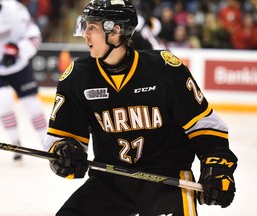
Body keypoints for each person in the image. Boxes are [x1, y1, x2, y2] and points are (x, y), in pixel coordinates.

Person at [43, 0, 238, 215]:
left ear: (115, 30)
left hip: (166, 180)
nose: (85, 34)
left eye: (92, 27)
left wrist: (218, 165)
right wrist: (65, 153)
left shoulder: (164, 69)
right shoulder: (78, 77)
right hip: (110, 179)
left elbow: (203, 124)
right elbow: (62, 136)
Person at [0, 0, 48, 161]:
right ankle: (15, 144)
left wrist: (17, 50)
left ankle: (48, 144)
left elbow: (33, 35)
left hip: (16, 65)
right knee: (2, 99)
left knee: (32, 105)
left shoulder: (15, 8)